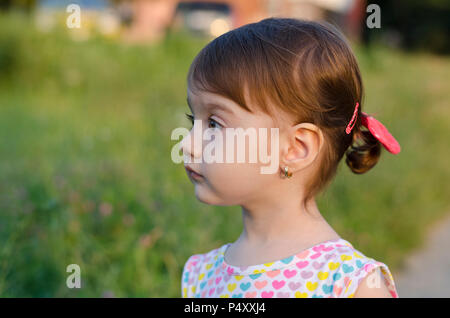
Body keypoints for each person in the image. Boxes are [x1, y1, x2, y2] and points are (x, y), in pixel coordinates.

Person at [180, 17, 400, 298]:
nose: (188, 143)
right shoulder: (202, 275)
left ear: (296, 149)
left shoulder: (348, 283)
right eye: (192, 119)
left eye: (214, 124)